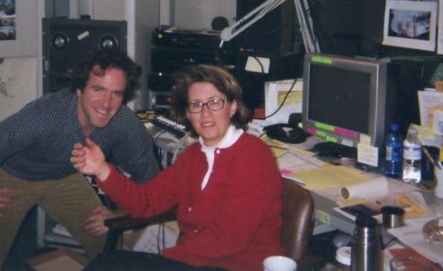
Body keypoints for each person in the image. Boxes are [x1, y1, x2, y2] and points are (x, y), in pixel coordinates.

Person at [0, 49, 160, 271]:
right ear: (80, 89)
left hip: (63, 177)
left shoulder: (124, 124)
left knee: (106, 239)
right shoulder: (43, 117)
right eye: (98, 89)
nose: (106, 103)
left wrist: (117, 215)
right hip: (12, 177)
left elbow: (151, 182)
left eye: (116, 94)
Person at [72, 64, 284, 271]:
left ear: (232, 107)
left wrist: (168, 259)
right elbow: (146, 202)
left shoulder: (253, 157)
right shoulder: (192, 157)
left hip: (236, 264)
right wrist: (102, 170)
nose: (206, 113)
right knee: (107, 262)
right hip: (195, 261)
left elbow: (228, 239)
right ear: (188, 114)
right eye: (196, 105)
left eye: (215, 102)